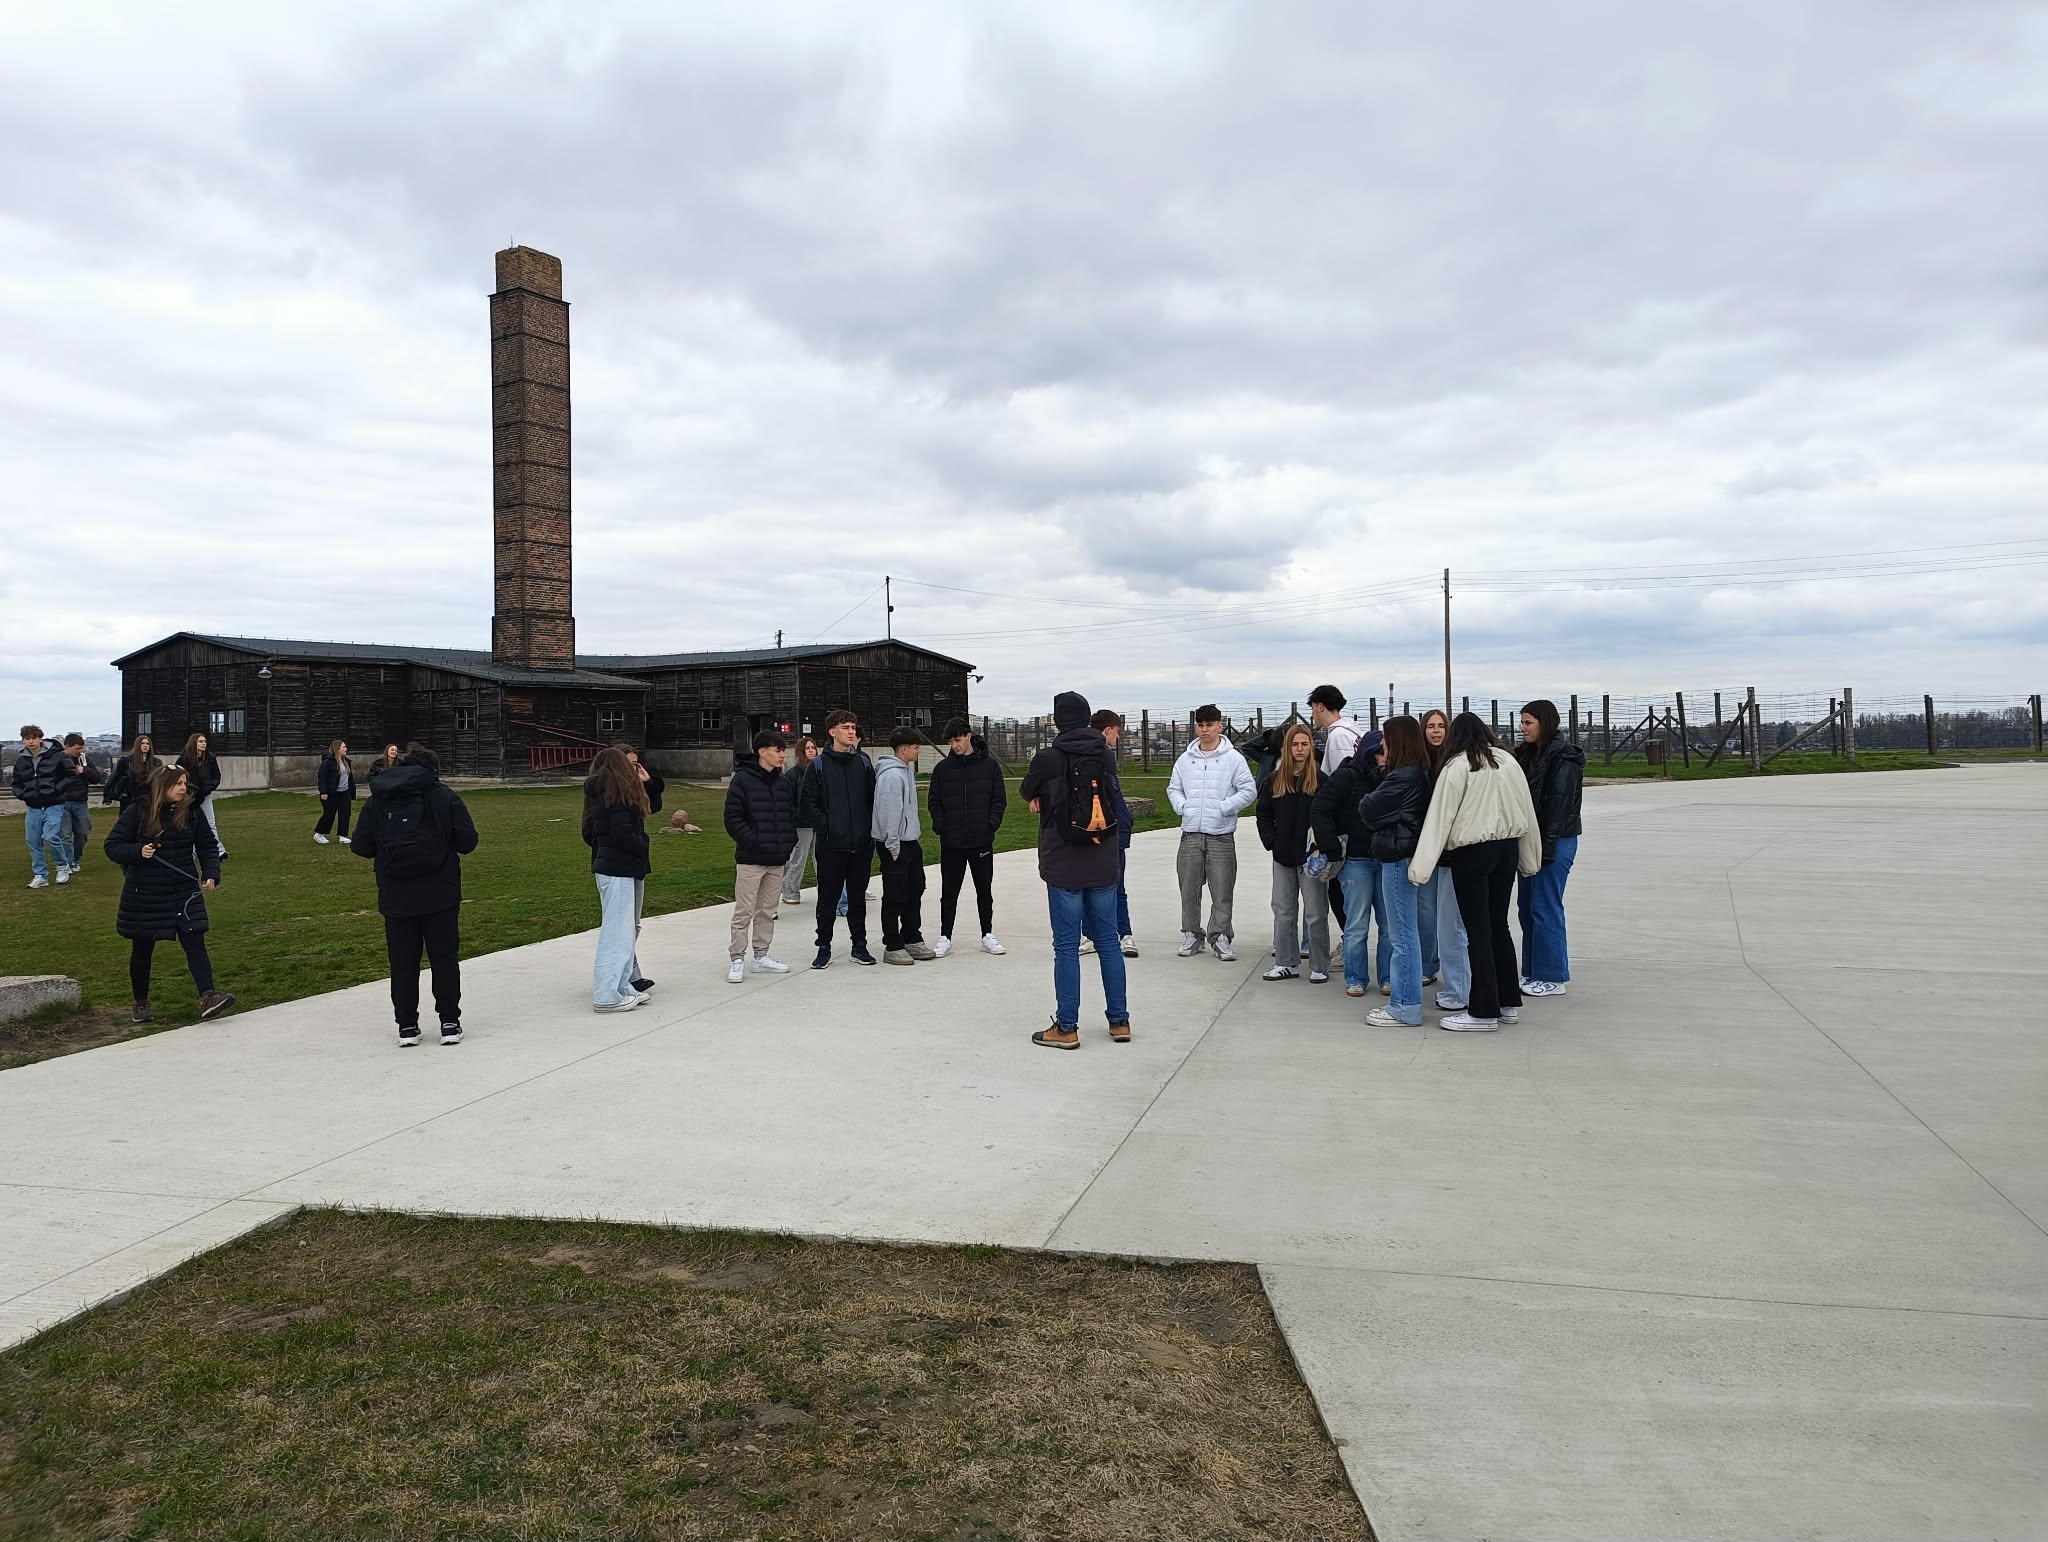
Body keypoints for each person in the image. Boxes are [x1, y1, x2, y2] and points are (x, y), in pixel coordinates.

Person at [1408, 713, 1541, 1032]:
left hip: (1472, 853)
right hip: (1507, 849)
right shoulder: (1508, 762)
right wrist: (1530, 859)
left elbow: (1439, 818)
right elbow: (1527, 810)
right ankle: (1507, 1002)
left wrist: (1420, 868)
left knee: (1477, 931)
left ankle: (1482, 1011)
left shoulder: (1457, 767)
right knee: (1498, 926)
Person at [1019, 691, 1130, 1049]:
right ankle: (1119, 1021)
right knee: (1109, 942)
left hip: (1064, 862)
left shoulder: (1047, 758)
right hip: (1103, 859)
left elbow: (1027, 790)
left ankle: (1067, 1026)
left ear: (1057, 721)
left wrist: (1040, 796)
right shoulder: (1105, 755)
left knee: (1066, 947)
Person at [353, 745, 479, 1046]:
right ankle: (449, 1022)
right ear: (434, 771)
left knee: (402, 963)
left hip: (396, 894)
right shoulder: (444, 796)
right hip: (441, 892)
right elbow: (468, 841)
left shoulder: (379, 797)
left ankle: (407, 1026)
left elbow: (361, 845)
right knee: (444, 959)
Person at [104, 764, 235, 1023]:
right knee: (142, 948)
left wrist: (211, 873)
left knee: (195, 941)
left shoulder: (192, 811)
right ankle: (141, 1003)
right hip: (146, 892)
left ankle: (208, 996)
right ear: (162, 786)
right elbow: (112, 845)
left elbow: (208, 846)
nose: (184, 788)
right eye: (178, 784)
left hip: (184, 890)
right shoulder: (138, 810)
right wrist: (138, 851)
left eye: (185, 783)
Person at [1167, 704, 1256, 960]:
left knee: (1222, 890)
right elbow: (1174, 788)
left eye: (1210, 725)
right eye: (1200, 725)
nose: (1204, 730)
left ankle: (1221, 936)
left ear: (1220, 726)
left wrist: (1225, 807)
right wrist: (1183, 807)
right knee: (1188, 889)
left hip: (1221, 835)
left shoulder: (1233, 759)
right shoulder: (1185, 759)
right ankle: (1192, 934)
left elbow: (1248, 790)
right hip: (1190, 834)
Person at [1359, 717, 1432, 1027]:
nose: (1382, 745)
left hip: (1397, 857)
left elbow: (1367, 809)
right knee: (1404, 933)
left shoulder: (1403, 777)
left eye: (1386, 739)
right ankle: (1405, 1002)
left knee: (1402, 935)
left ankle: (1405, 1006)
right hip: (1402, 855)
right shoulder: (1412, 773)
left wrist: (1370, 801)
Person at [1515, 699, 1585, 998]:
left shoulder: (1564, 759)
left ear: (1545, 723)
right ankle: (1533, 970)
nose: (1523, 727)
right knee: (1527, 908)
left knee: (1545, 907)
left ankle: (1553, 976)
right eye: (1522, 722)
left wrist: (1546, 850)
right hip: (1532, 840)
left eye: (1528, 722)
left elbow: (1557, 808)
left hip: (1554, 840)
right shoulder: (1527, 755)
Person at [799, 710, 878, 969]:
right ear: (832, 731)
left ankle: (859, 946)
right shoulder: (818, 766)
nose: (851, 732)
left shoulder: (864, 763)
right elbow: (807, 803)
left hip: (861, 846)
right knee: (828, 899)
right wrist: (828, 826)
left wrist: (867, 831)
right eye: (845, 727)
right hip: (831, 846)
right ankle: (823, 947)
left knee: (857, 899)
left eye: (853, 727)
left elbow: (872, 801)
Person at [1255, 723, 1330, 982]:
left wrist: (1323, 847)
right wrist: (1272, 842)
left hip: (1312, 858)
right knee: (1283, 911)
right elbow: (1263, 814)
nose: (1299, 749)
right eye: (1294, 744)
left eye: (1304, 744)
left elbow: (1331, 815)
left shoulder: (1321, 781)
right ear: (1287, 748)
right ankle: (1286, 962)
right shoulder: (1274, 781)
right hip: (1283, 855)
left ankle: (1319, 965)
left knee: (1315, 913)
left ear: (1311, 747)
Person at [926, 717, 1007, 956]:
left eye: (958, 740)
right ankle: (945, 936)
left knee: (984, 890)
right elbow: (934, 801)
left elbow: (999, 800)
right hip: (951, 842)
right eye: (951, 742)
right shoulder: (942, 769)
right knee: (949, 892)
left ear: (969, 736)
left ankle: (987, 934)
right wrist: (941, 826)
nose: (955, 745)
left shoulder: (990, 766)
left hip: (981, 840)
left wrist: (990, 825)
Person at [723, 730, 798, 982]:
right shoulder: (742, 780)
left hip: (777, 859)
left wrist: (787, 843)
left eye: (783, 750)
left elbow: (789, 816)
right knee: (744, 911)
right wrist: (755, 841)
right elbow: (732, 818)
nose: (782, 755)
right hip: (751, 858)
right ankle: (737, 958)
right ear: (762, 751)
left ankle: (761, 955)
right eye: (777, 750)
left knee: (767, 910)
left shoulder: (783, 782)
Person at [583, 745, 654, 1012]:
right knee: (617, 933)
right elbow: (621, 833)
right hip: (618, 868)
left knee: (624, 932)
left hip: (619, 867)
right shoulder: (613, 796)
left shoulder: (608, 793)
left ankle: (622, 985)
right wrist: (643, 845)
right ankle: (606, 994)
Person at [1311, 726, 1380, 999]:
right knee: (1356, 924)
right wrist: (1332, 849)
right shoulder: (1346, 776)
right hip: (1355, 859)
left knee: (1390, 926)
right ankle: (1356, 978)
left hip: (1386, 859)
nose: (1383, 757)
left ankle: (1388, 977)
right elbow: (1320, 809)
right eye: (1379, 752)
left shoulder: (1392, 775)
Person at [1418, 708, 1472, 1014]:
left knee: (1451, 918)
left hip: (1451, 849)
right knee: (1426, 910)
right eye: (1431, 726)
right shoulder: (1419, 762)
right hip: (1427, 846)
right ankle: (1428, 965)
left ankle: (1458, 979)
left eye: (1441, 726)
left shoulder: (1455, 763)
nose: (1436, 731)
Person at [872, 728, 934, 965]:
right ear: (904, 749)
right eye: (916, 747)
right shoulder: (891, 776)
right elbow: (889, 813)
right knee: (895, 895)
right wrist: (893, 845)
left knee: (915, 890)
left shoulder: (905, 771)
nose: (919, 751)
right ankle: (893, 944)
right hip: (894, 845)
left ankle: (912, 938)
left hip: (910, 842)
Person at [1309, 686, 1365, 933]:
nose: (1313, 714)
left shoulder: (1339, 736)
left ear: (1320, 706)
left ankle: (1348, 940)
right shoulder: (1351, 730)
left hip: (1345, 820)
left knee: (1339, 891)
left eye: (1313, 708)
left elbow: (1343, 780)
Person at [1083, 709, 1138, 957]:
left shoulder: (1103, 757)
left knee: (1114, 885)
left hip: (1111, 830)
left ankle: (1122, 933)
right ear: (1107, 730)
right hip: (1097, 831)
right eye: (1116, 732)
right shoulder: (1098, 757)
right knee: (1100, 886)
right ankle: (1094, 935)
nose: (1118, 737)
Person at [13, 725, 74, 888]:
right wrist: (23, 794)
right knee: (33, 841)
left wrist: (56, 790)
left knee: (50, 836)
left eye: (34, 738)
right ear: (23, 740)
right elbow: (16, 783)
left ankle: (62, 866)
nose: (31, 741)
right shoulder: (21, 760)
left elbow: (70, 775)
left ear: (40, 738)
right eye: (27, 738)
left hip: (54, 804)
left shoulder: (57, 755)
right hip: (33, 806)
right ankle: (40, 875)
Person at [780, 735, 820, 905]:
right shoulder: (792, 774)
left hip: (819, 823)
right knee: (798, 859)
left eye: (813, 748)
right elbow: (788, 801)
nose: (811, 751)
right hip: (801, 823)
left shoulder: (821, 771)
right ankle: (790, 891)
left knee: (822, 860)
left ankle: (825, 891)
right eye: (807, 748)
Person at [176, 732, 227, 860]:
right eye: (200, 741)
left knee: (210, 822)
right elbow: (179, 776)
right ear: (194, 743)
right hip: (189, 796)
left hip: (205, 795)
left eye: (204, 741)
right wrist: (189, 791)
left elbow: (216, 776)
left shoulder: (210, 758)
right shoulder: (184, 759)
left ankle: (218, 850)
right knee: (189, 822)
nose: (204, 744)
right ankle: (191, 851)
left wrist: (208, 788)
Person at [58, 734, 102, 876]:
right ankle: (68, 863)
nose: (80, 751)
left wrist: (85, 770)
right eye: (77, 748)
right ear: (67, 747)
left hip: (80, 801)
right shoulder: (58, 760)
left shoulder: (84, 759)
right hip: (62, 802)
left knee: (82, 832)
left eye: (81, 748)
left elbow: (96, 778)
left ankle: (76, 859)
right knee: (65, 835)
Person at [102, 733, 162, 813]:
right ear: (137, 745)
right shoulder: (126, 761)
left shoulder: (156, 763)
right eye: (142, 743)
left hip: (148, 799)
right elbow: (114, 778)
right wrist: (107, 796)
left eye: (147, 744)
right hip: (129, 798)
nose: (145, 745)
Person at [314, 739, 355, 845]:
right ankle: (319, 834)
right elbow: (322, 778)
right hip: (331, 793)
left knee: (345, 813)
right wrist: (323, 792)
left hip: (344, 792)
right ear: (337, 749)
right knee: (329, 814)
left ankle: (343, 835)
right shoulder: (327, 763)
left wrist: (352, 791)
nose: (346, 749)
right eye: (344, 747)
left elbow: (350, 778)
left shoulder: (346, 761)